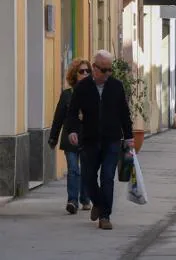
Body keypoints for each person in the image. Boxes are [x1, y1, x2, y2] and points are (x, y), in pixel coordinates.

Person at [66, 50, 134, 230]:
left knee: (107, 177)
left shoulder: (116, 86)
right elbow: (72, 113)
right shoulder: (83, 88)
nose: (107, 74)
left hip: (112, 139)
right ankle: (97, 202)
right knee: (88, 178)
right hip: (90, 139)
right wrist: (72, 131)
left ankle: (105, 216)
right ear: (94, 68)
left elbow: (124, 114)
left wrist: (129, 137)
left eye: (109, 70)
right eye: (104, 70)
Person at [48, 58, 92, 215]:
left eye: (88, 71)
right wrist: (53, 137)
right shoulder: (67, 95)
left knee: (86, 169)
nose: (85, 74)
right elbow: (58, 117)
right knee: (73, 169)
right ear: (75, 74)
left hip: (88, 137)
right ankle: (72, 201)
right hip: (70, 137)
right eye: (82, 71)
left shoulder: (93, 93)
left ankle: (85, 198)